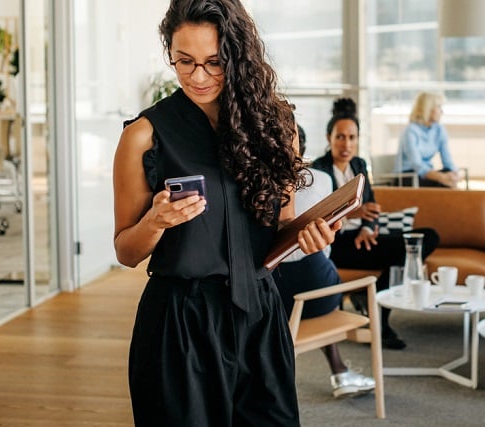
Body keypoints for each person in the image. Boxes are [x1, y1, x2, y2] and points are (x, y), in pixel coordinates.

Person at [112, 1, 340, 425]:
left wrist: (310, 234)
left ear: (238, 54)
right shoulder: (143, 136)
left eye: (214, 62)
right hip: (180, 324)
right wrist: (155, 222)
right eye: (184, 61)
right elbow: (126, 250)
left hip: (260, 314)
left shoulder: (277, 124)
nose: (197, 76)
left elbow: (283, 225)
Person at [312, 98, 440, 350]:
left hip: (361, 241)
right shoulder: (319, 170)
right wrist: (355, 214)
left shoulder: (359, 165)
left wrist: (368, 228)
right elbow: (319, 219)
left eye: (352, 137)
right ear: (329, 138)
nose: (346, 144)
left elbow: (371, 205)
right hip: (336, 245)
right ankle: (378, 318)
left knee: (427, 237)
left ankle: (372, 308)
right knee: (403, 253)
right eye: (340, 137)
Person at [274, 124, 376, 399]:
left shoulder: (255, 182)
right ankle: (340, 372)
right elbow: (327, 243)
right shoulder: (320, 177)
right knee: (319, 268)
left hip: (273, 299)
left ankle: (339, 371)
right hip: (320, 296)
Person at [395, 92, 462, 188]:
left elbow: (447, 160)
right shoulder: (410, 131)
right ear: (428, 109)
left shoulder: (439, 130)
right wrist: (441, 177)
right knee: (443, 183)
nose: (442, 112)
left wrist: (453, 173)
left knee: (448, 175)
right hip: (409, 175)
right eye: (438, 107)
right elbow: (416, 164)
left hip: (427, 174)